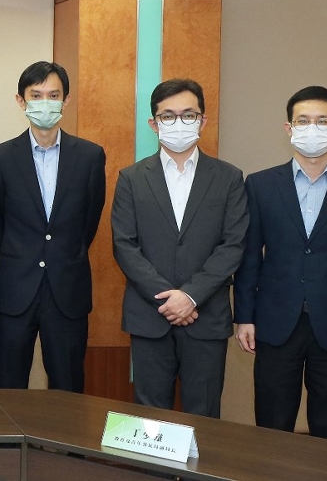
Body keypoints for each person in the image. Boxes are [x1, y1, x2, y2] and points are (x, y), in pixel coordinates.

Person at [234, 86, 327, 440]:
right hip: (274, 322)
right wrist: (244, 317)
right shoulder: (260, 185)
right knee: (272, 426)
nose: (312, 128)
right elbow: (249, 257)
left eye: (322, 121)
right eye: (303, 121)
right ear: (289, 128)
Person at [111, 78, 247, 418]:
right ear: (153, 124)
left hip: (206, 316)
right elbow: (124, 245)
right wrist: (168, 299)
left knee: (204, 416)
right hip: (149, 317)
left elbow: (233, 245)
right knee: (149, 419)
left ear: (203, 120)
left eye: (188, 114)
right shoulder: (131, 178)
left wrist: (190, 296)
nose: (178, 122)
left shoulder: (229, 177)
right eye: (168, 116)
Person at [0, 62, 106, 393]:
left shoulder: (90, 157)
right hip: (14, 291)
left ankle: (66, 434)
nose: (45, 103)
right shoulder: (0, 157)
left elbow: (88, 222)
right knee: (9, 388)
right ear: (21, 101)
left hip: (67, 291)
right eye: (36, 96)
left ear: (66, 100)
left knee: (68, 388)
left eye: (53, 95)